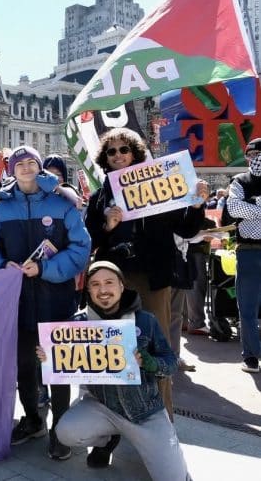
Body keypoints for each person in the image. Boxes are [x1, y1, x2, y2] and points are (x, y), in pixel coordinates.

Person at [84, 127, 208, 417]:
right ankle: (112, 422)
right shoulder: (100, 196)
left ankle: (162, 417)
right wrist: (107, 227)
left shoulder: (160, 185)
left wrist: (198, 204)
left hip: (153, 278)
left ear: (135, 154)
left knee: (157, 348)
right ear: (105, 157)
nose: (118, 155)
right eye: (111, 151)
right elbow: (89, 240)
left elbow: (187, 228)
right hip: (114, 280)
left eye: (124, 150)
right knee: (111, 348)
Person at [0, 145, 91, 461]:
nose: (26, 168)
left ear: (39, 167)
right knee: (23, 364)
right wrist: (2, 265)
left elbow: (81, 247)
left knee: (56, 365)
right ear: (12, 170)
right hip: (17, 302)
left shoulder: (63, 204)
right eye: (20, 164)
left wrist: (45, 268)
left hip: (54, 299)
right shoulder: (0, 211)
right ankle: (33, 419)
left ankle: (61, 428)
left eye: (31, 162)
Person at [53, 261, 189, 481]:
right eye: (95, 284)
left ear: (121, 286)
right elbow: (61, 364)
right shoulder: (78, 325)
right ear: (88, 290)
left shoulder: (146, 321)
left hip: (145, 414)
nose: (103, 290)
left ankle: (156, 443)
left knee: (173, 478)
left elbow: (171, 362)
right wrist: (48, 358)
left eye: (109, 282)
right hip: (102, 407)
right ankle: (106, 439)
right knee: (66, 432)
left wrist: (151, 363)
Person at [226, 137, 261, 373]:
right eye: (252, 155)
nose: (256, 159)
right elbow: (233, 208)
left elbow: (242, 208)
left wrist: (253, 208)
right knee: (247, 307)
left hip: (250, 249)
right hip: (248, 250)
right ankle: (251, 356)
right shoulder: (240, 180)